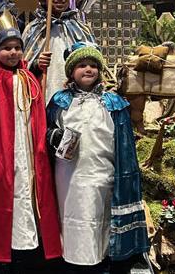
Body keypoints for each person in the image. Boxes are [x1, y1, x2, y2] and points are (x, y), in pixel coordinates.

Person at [0, 28, 62, 270]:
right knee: (2, 202)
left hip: (26, 152)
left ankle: (25, 252)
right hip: (0, 155)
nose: (13, 52)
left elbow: (37, 118)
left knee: (25, 198)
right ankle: (0, 255)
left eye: (17, 48)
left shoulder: (29, 79)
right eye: (7, 48)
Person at [46, 42, 150, 272]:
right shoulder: (60, 101)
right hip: (68, 175)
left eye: (93, 65)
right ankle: (73, 260)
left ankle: (100, 259)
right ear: (71, 71)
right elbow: (44, 130)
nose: (88, 69)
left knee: (99, 215)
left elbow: (125, 145)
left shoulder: (114, 103)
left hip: (103, 172)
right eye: (82, 65)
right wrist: (53, 135)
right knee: (73, 213)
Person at [22, 0, 95, 103]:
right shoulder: (33, 29)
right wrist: (37, 64)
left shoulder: (81, 29)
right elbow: (21, 66)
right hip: (43, 93)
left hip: (76, 99)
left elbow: (94, 62)